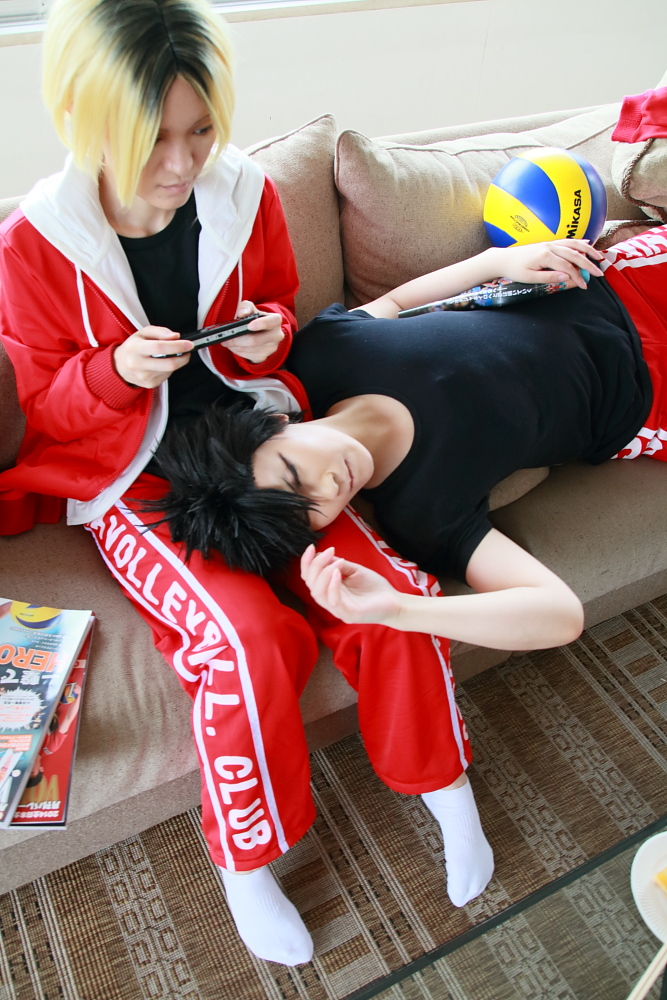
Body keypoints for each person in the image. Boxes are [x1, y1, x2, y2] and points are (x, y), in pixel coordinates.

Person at [0, 0, 541, 967]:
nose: (181, 164)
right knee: (245, 643)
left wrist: (266, 336)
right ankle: (247, 862)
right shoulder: (33, 244)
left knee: (388, 595)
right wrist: (114, 373)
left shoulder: (244, 194)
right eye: (152, 140)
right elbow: (42, 407)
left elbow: (282, 313)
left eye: (201, 129)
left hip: (259, 433)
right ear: (86, 121)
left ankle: (445, 788)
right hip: (134, 476)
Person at [152, 224, 667, 643]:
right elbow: (559, 614)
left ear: (276, 424)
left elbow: (396, 301)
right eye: (309, 510)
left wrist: (501, 260)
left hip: (611, 285)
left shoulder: (322, 356)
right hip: (648, 400)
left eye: (294, 473)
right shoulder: (422, 516)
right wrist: (398, 609)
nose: (328, 487)